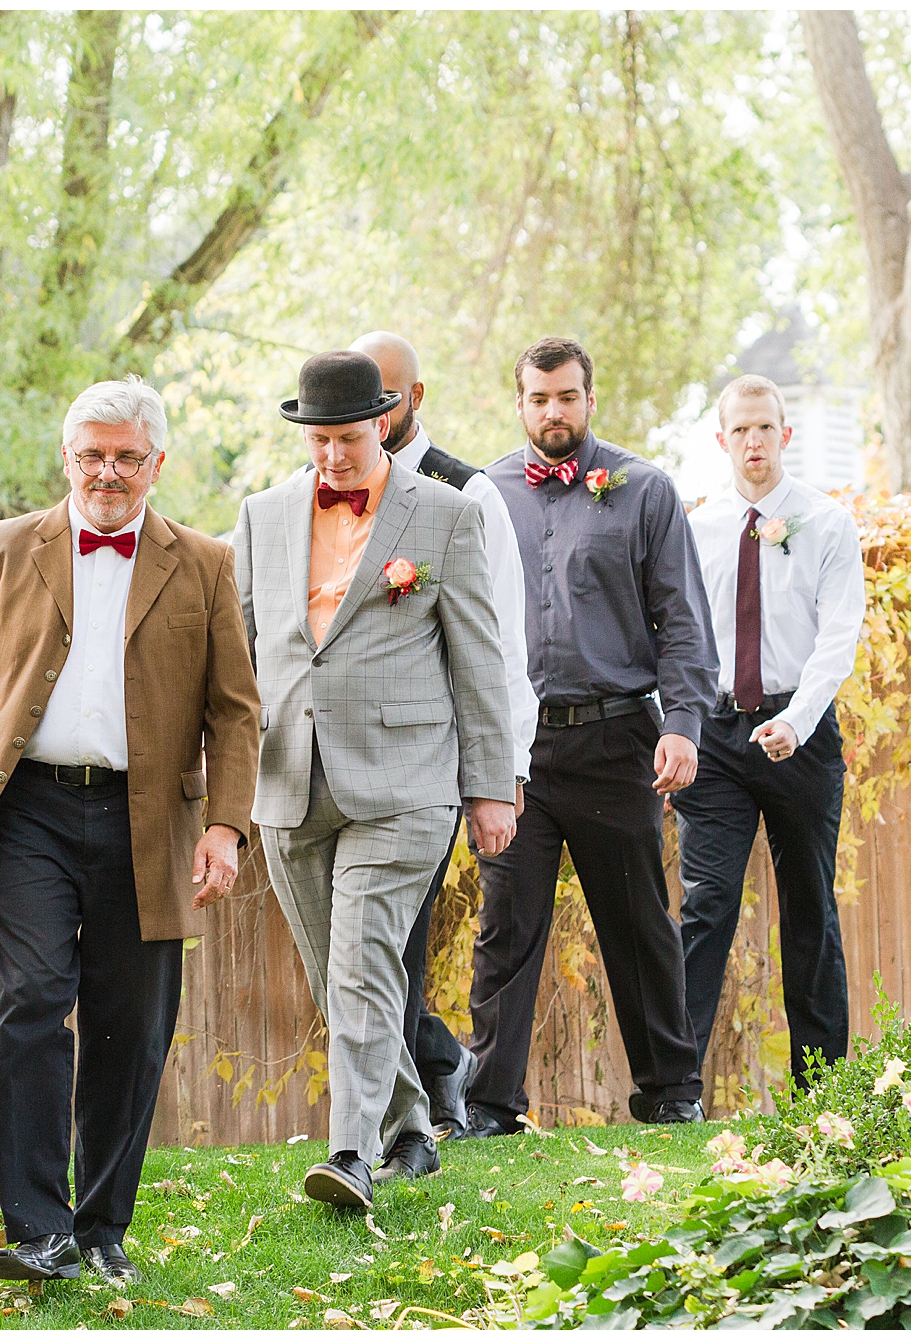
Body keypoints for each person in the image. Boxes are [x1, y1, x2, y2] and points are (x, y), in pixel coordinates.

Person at [0, 377, 260, 1285]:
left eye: (126, 457)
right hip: (24, 811)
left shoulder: (208, 564)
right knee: (31, 998)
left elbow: (236, 713)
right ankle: (37, 1227)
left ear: (156, 464)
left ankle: (101, 1229)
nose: (108, 472)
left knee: (129, 1024)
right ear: (67, 459)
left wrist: (225, 826)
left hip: (149, 820)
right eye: (92, 455)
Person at [233, 350, 518, 1208]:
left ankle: (351, 1154)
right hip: (289, 778)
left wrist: (492, 784)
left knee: (360, 962)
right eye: (318, 441)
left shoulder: (444, 516)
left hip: (405, 784)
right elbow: (240, 653)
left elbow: (480, 659)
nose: (332, 457)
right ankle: (410, 1124)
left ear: (383, 423)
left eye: (348, 439)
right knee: (337, 975)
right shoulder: (261, 515)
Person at [464, 336, 718, 1137]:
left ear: (589, 400)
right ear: (519, 404)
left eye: (567, 396)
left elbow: (683, 621)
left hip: (617, 743)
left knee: (639, 924)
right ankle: (489, 1104)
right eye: (539, 399)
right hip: (519, 752)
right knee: (508, 927)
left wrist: (682, 724)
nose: (553, 411)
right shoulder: (484, 495)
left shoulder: (644, 490)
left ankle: (671, 1090)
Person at [347, 330, 539, 1143]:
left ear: (415, 398)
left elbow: (500, 643)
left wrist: (500, 772)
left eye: (385, 397)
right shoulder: (319, 486)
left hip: (427, 766)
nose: (372, 415)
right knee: (361, 949)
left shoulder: (468, 493)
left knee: (394, 937)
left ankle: (402, 1123)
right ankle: (438, 1061)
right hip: (336, 763)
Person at [676, 375, 865, 1087]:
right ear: (721, 440)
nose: (753, 441)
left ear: (786, 435)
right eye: (740, 430)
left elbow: (839, 636)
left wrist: (796, 718)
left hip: (803, 735)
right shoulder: (696, 530)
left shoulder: (828, 522)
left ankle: (824, 1086)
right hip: (719, 735)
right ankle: (676, 1089)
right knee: (707, 903)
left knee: (811, 905)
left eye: (765, 428)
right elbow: (684, 638)